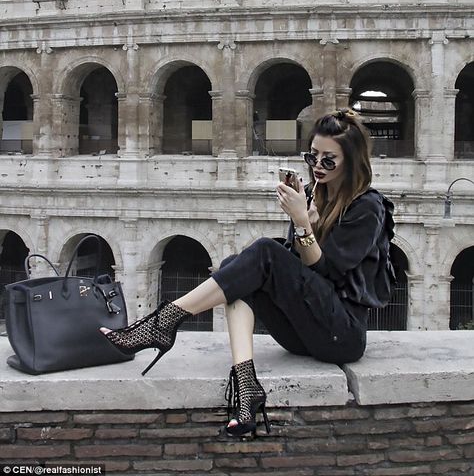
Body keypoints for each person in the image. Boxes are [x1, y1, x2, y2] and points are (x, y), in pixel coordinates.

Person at [101, 108, 395, 438]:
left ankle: (163, 322)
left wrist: (301, 221)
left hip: (341, 335)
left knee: (264, 252)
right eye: (313, 156)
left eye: (330, 160)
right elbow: (295, 265)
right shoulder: (313, 194)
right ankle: (245, 385)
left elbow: (326, 270)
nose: (317, 166)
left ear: (352, 162)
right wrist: (306, 217)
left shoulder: (367, 206)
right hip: (304, 332)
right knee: (235, 271)